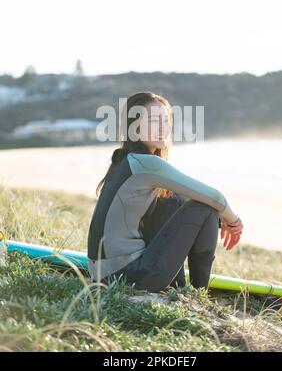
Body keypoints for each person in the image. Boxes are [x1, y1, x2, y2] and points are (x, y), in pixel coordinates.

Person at [87, 91, 243, 293]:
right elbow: (215, 197)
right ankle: (198, 292)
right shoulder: (147, 163)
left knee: (173, 200)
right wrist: (234, 221)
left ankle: (180, 286)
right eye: (153, 121)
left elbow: (192, 197)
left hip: (106, 274)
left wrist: (220, 213)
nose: (163, 128)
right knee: (204, 206)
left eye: (166, 120)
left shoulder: (126, 160)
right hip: (130, 276)